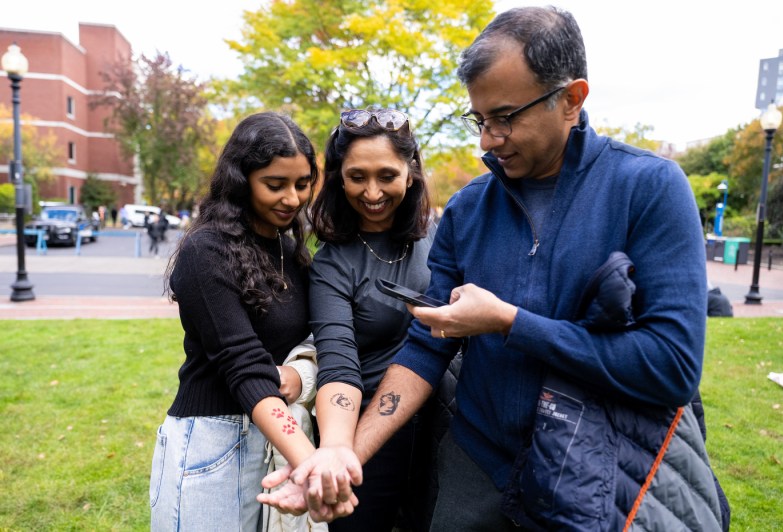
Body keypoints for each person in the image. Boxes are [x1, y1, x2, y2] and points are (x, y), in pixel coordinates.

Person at [267, 6, 728, 531]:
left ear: (572, 99)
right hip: (477, 470)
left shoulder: (650, 188)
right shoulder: (469, 209)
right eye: (480, 120)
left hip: (596, 473)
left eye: (505, 117)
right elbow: (426, 345)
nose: (487, 140)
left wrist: (510, 322)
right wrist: (347, 456)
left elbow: (671, 366)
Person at [149, 112, 353, 530]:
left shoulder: (293, 250)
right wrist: (312, 464)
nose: (292, 199)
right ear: (242, 181)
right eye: (275, 185)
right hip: (213, 445)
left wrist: (301, 374)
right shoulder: (207, 252)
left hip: (277, 438)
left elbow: (313, 341)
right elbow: (243, 365)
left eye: (302, 184)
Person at [288, 108, 435, 532]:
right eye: (357, 176)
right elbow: (338, 359)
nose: (372, 192)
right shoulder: (332, 263)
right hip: (365, 432)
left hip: (439, 427)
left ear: (410, 173)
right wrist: (336, 446)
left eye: (386, 175)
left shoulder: (438, 240)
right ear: (339, 178)